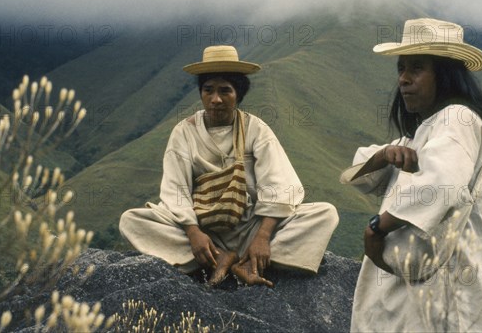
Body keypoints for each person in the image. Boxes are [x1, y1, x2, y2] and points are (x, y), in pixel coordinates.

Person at [340, 18, 482, 332]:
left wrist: (377, 228)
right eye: (401, 68)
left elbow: (441, 185)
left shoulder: (457, 119)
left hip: (441, 297)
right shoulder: (424, 131)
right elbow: (358, 175)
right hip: (418, 294)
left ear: (445, 75)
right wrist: (384, 155)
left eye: (417, 68)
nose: (404, 79)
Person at [120, 45, 338, 288]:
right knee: (131, 220)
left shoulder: (256, 129)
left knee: (324, 214)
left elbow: (281, 186)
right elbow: (175, 190)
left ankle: (244, 260)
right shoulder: (184, 133)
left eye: (225, 91)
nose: (216, 99)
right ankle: (222, 259)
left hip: (251, 227)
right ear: (200, 93)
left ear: (238, 94)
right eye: (208, 90)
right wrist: (193, 233)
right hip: (203, 232)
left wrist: (263, 237)